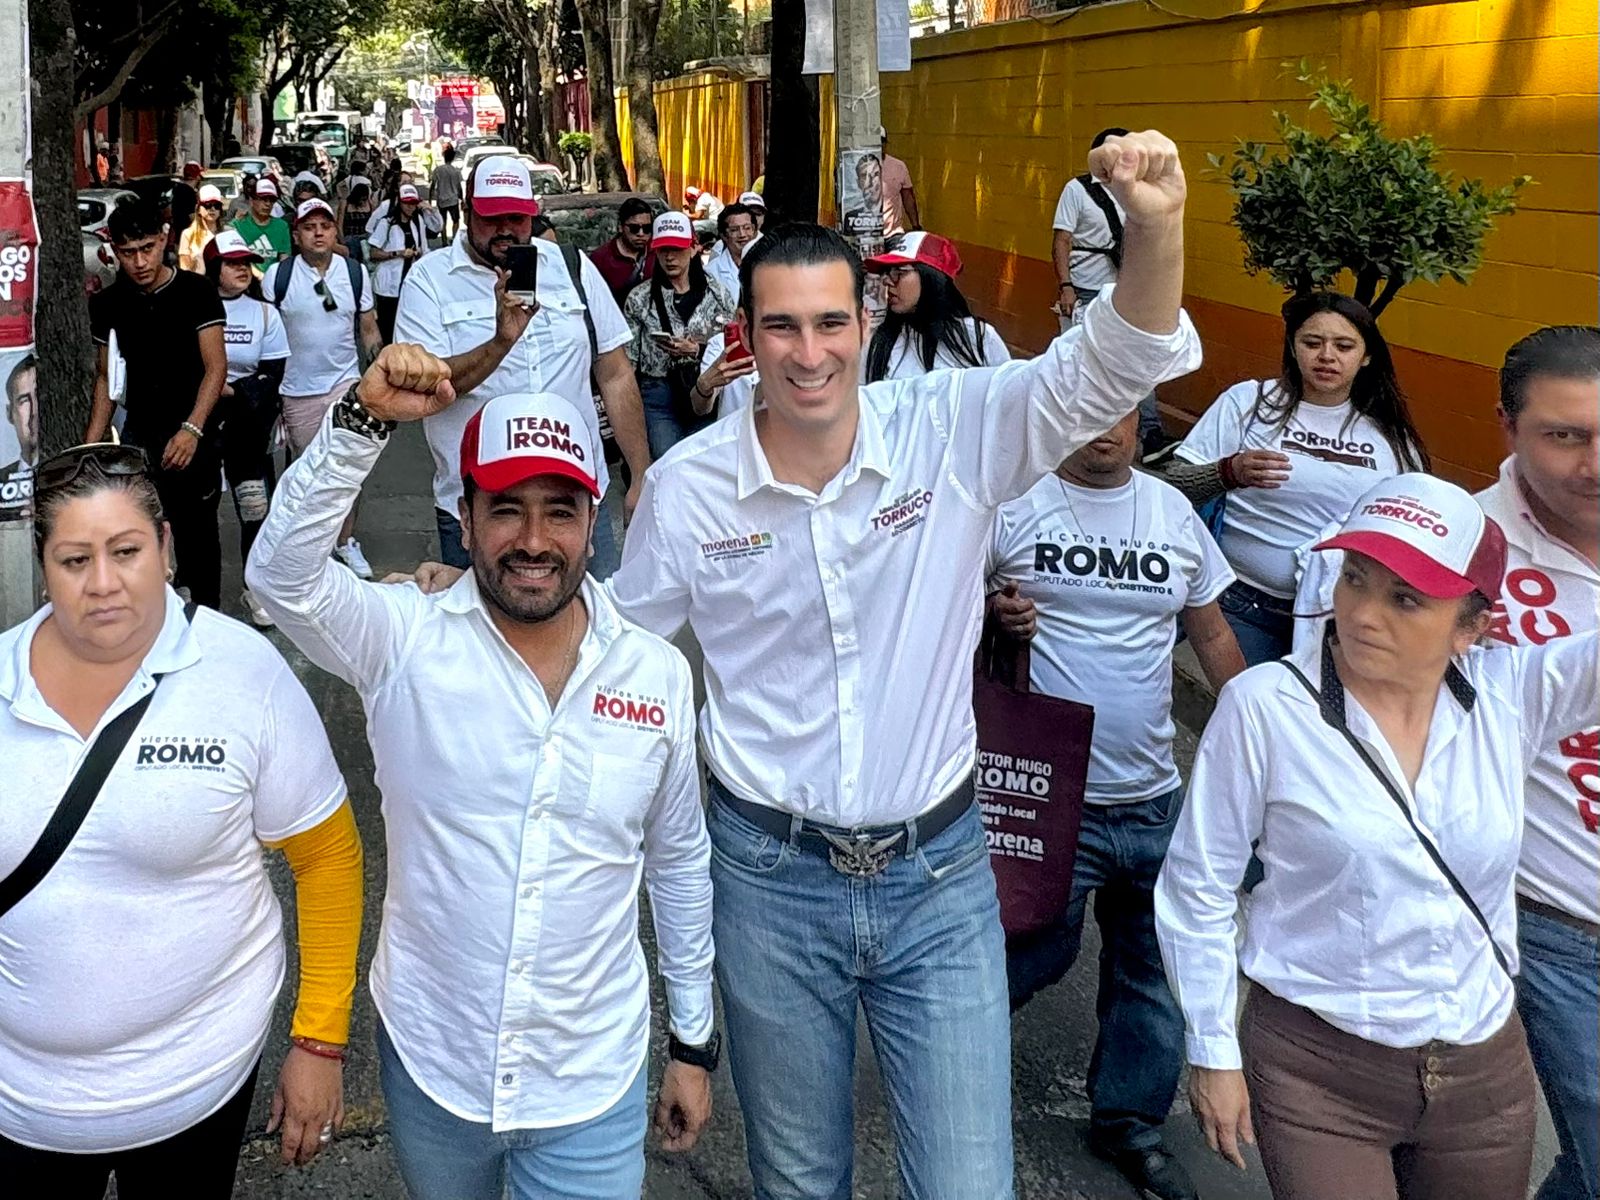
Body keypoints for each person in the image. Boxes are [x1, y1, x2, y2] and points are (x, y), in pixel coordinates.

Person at [611, 132, 1198, 1198]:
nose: (808, 354)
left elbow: (1110, 366)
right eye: (781, 326)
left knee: (969, 1182)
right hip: (767, 880)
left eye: (830, 322)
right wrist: (467, 599)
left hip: (939, 875)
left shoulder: (951, 430)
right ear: (745, 334)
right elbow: (618, 654)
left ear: (867, 321)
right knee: (801, 1182)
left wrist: (1154, 230)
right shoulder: (691, 491)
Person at [244, 355, 718, 1200]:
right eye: (505, 509)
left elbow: (678, 863)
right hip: (435, 1066)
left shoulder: (655, 674)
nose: (533, 541)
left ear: (592, 521)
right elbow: (279, 579)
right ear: (463, 518)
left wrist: (692, 1041)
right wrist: (360, 423)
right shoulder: (404, 640)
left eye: (559, 511)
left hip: (590, 1081)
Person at [1156, 472, 1599, 1200]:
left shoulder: (1508, 696)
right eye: (1354, 579)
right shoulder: (1265, 707)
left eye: (1406, 599)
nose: (1363, 615)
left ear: (1471, 629)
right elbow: (1199, 885)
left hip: (1483, 1072)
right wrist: (1212, 1050)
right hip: (1317, 1071)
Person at [0, 442, 363, 1194]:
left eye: (126, 551)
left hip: (197, 1087)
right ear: (44, 567)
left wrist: (320, 1040)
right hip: (20, 1107)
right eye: (75, 560)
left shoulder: (242, 674)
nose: (103, 583)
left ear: (166, 549)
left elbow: (326, 856)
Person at [986, 408, 1243, 1200]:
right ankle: (948, 1069)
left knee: (1153, 974)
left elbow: (1212, 635)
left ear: (1142, 421)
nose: (1105, 428)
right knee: (1029, 953)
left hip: (1154, 798)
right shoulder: (1013, 506)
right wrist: (994, 615)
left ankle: (1129, 1124)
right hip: (1050, 800)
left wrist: (1266, 738)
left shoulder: (1171, 512)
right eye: (1091, 409)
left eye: (1123, 411)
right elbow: (941, 619)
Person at [393, 154, 650, 579]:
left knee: (594, 615)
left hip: (577, 499)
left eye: (517, 217)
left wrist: (640, 474)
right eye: (491, 217)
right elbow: (429, 387)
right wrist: (501, 342)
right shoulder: (429, 280)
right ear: (467, 212)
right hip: (479, 510)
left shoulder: (571, 267)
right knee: (481, 621)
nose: (505, 229)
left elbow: (615, 373)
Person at [1486, 326, 1600, 1200]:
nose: (1595, 465)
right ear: (1508, 426)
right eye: (1566, 436)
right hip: (1556, 921)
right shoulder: (1462, 550)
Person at [1165, 292, 1428, 665]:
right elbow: (1174, 484)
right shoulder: (1249, 402)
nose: (1327, 356)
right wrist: (1229, 472)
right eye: (1312, 342)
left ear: (1367, 356)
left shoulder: (1390, 437)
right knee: (1245, 702)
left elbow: (1414, 528)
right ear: (1292, 346)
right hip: (1242, 606)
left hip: (1342, 619)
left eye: (1344, 346)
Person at [87, 199, 229, 609]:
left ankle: (207, 620)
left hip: (194, 433)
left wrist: (192, 429)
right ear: (114, 251)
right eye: (128, 252)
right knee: (139, 537)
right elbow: (106, 378)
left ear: (164, 240)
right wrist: (90, 447)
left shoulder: (197, 291)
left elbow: (216, 368)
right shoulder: (108, 304)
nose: (139, 262)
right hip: (139, 437)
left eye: (147, 248)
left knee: (198, 538)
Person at [261, 198, 381, 579]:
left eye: (325, 227)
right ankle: (312, 547)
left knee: (349, 468)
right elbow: (267, 331)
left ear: (334, 232)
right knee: (308, 472)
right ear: (296, 235)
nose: (318, 233)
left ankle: (345, 541)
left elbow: (368, 328)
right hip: (297, 390)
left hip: (346, 383)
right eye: (309, 227)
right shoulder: (277, 278)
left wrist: (378, 374)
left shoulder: (355, 273)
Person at [1052, 126, 1170, 453]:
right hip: (1086, 288)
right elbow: (1062, 240)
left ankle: (1150, 431)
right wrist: (1066, 286)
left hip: (1127, 291)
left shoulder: (1137, 191)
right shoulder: (1077, 190)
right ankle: (1075, 428)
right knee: (1084, 360)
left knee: (1137, 359)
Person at [206, 229, 290, 628]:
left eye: (246, 264)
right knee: (199, 511)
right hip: (203, 423)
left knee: (254, 509)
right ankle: (197, 591)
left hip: (248, 428)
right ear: (213, 268)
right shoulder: (196, 308)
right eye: (232, 263)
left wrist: (230, 389)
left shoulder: (265, 313)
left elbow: (272, 374)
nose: (243, 270)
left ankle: (255, 589)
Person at [623, 211, 736, 459]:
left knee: (704, 460)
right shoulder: (639, 299)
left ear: (694, 248)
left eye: (677, 249)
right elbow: (628, 362)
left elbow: (732, 347)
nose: (670, 257)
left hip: (706, 386)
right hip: (658, 391)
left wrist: (697, 350)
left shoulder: (718, 294)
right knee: (667, 460)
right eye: (663, 250)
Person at [861, 232, 1010, 382]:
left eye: (898, 273)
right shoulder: (879, 342)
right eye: (887, 273)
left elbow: (1008, 391)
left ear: (931, 278)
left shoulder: (980, 338)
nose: (887, 281)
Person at [367, 183, 441, 343]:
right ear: (399, 202)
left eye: (413, 203)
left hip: (410, 284)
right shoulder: (387, 223)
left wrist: (430, 209)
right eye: (407, 203)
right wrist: (398, 253)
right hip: (388, 288)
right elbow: (373, 253)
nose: (410, 207)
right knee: (387, 331)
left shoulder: (418, 221)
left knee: (409, 329)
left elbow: (437, 227)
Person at [589, 196, 656, 304]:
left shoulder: (658, 252)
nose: (641, 234)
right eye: (634, 228)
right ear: (620, 227)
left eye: (647, 228)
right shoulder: (600, 259)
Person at [706, 202, 760, 300]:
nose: (742, 234)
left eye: (747, 228)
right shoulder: (710, 272)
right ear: (723, 235)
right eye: (734, 230)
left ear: (754, 231)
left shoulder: (769, 264)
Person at [233, 177, 292, 263]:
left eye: (272, 200)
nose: (268, 204)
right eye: (263, 199)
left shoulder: (282, 226)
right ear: (251, 200)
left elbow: (284, 259)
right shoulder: (237, 226)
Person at [878, 127, 920, 236]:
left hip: (893, 233)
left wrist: (916, 226)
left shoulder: (899, 166)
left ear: (886, 143)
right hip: (865, 234)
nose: (879, 145)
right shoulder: (860, 166)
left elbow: (908, 198)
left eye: (882, 141)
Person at [178, 184, 226, 273]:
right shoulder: (188, 234)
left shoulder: (228, 232)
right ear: (198, 209)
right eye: (208, 205)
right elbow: (184, 267)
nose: (212, 209)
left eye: (217, 205)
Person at [336, 169, 377, 262]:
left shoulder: (370, 204)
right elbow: (339, 224)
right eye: (361, 199)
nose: (362, 202)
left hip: (365, 238)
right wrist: (342, 241)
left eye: (365, 199)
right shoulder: (345, 204)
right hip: (350, 238)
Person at [429, 145, 463, 240]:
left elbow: (433, 185)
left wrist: (430, 199)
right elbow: (459, 187)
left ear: (444, 158)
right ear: (453, 158)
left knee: (443, 221)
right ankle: (454, 238)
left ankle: (444, 240)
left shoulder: (438, 170)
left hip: (442, 200)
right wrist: (462, 198)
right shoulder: (456, 171)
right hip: (453, 200)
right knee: (456, 221)